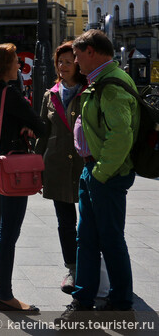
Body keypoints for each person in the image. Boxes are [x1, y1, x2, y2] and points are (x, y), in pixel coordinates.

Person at [60, 30, 139, 319]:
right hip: (91, 169)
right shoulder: (100, 81)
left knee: (110, 239)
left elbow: (121, 134)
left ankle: (120, 301)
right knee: (87, 238)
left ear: (92, 51)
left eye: (78, 56)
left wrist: (101, 172)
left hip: (106, 173)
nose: (76, 63)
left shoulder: (112, 85)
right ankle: (84, 299)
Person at [0, 43, 46, 313]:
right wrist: (27, 128)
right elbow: (40, 125)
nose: (19, 65)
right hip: (12, 167)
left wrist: (21, 127)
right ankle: (6, 296)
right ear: (5, 65)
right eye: (16, 61)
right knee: (9, 232)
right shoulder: (10, 92)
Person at [36, 42, 86, 295]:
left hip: (84, 165)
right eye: (60, 62)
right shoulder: (50, 95)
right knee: (65, 221)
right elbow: (44, 134)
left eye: (68, 61)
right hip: (55, 164)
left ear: (78, 63)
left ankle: (93, 267)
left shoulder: (89, 91)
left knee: (89, 220)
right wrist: (37, 166)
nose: (62, 66)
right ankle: (73, 268)